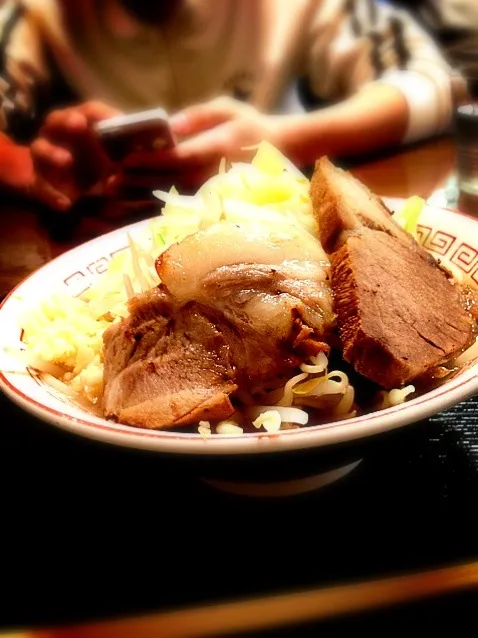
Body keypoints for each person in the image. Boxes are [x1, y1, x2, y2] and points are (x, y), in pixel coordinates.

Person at [0, 0, 455, 212]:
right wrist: (36, 171)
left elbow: (430, 82)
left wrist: (283, 139)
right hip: (101, 234)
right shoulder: (36, 14)